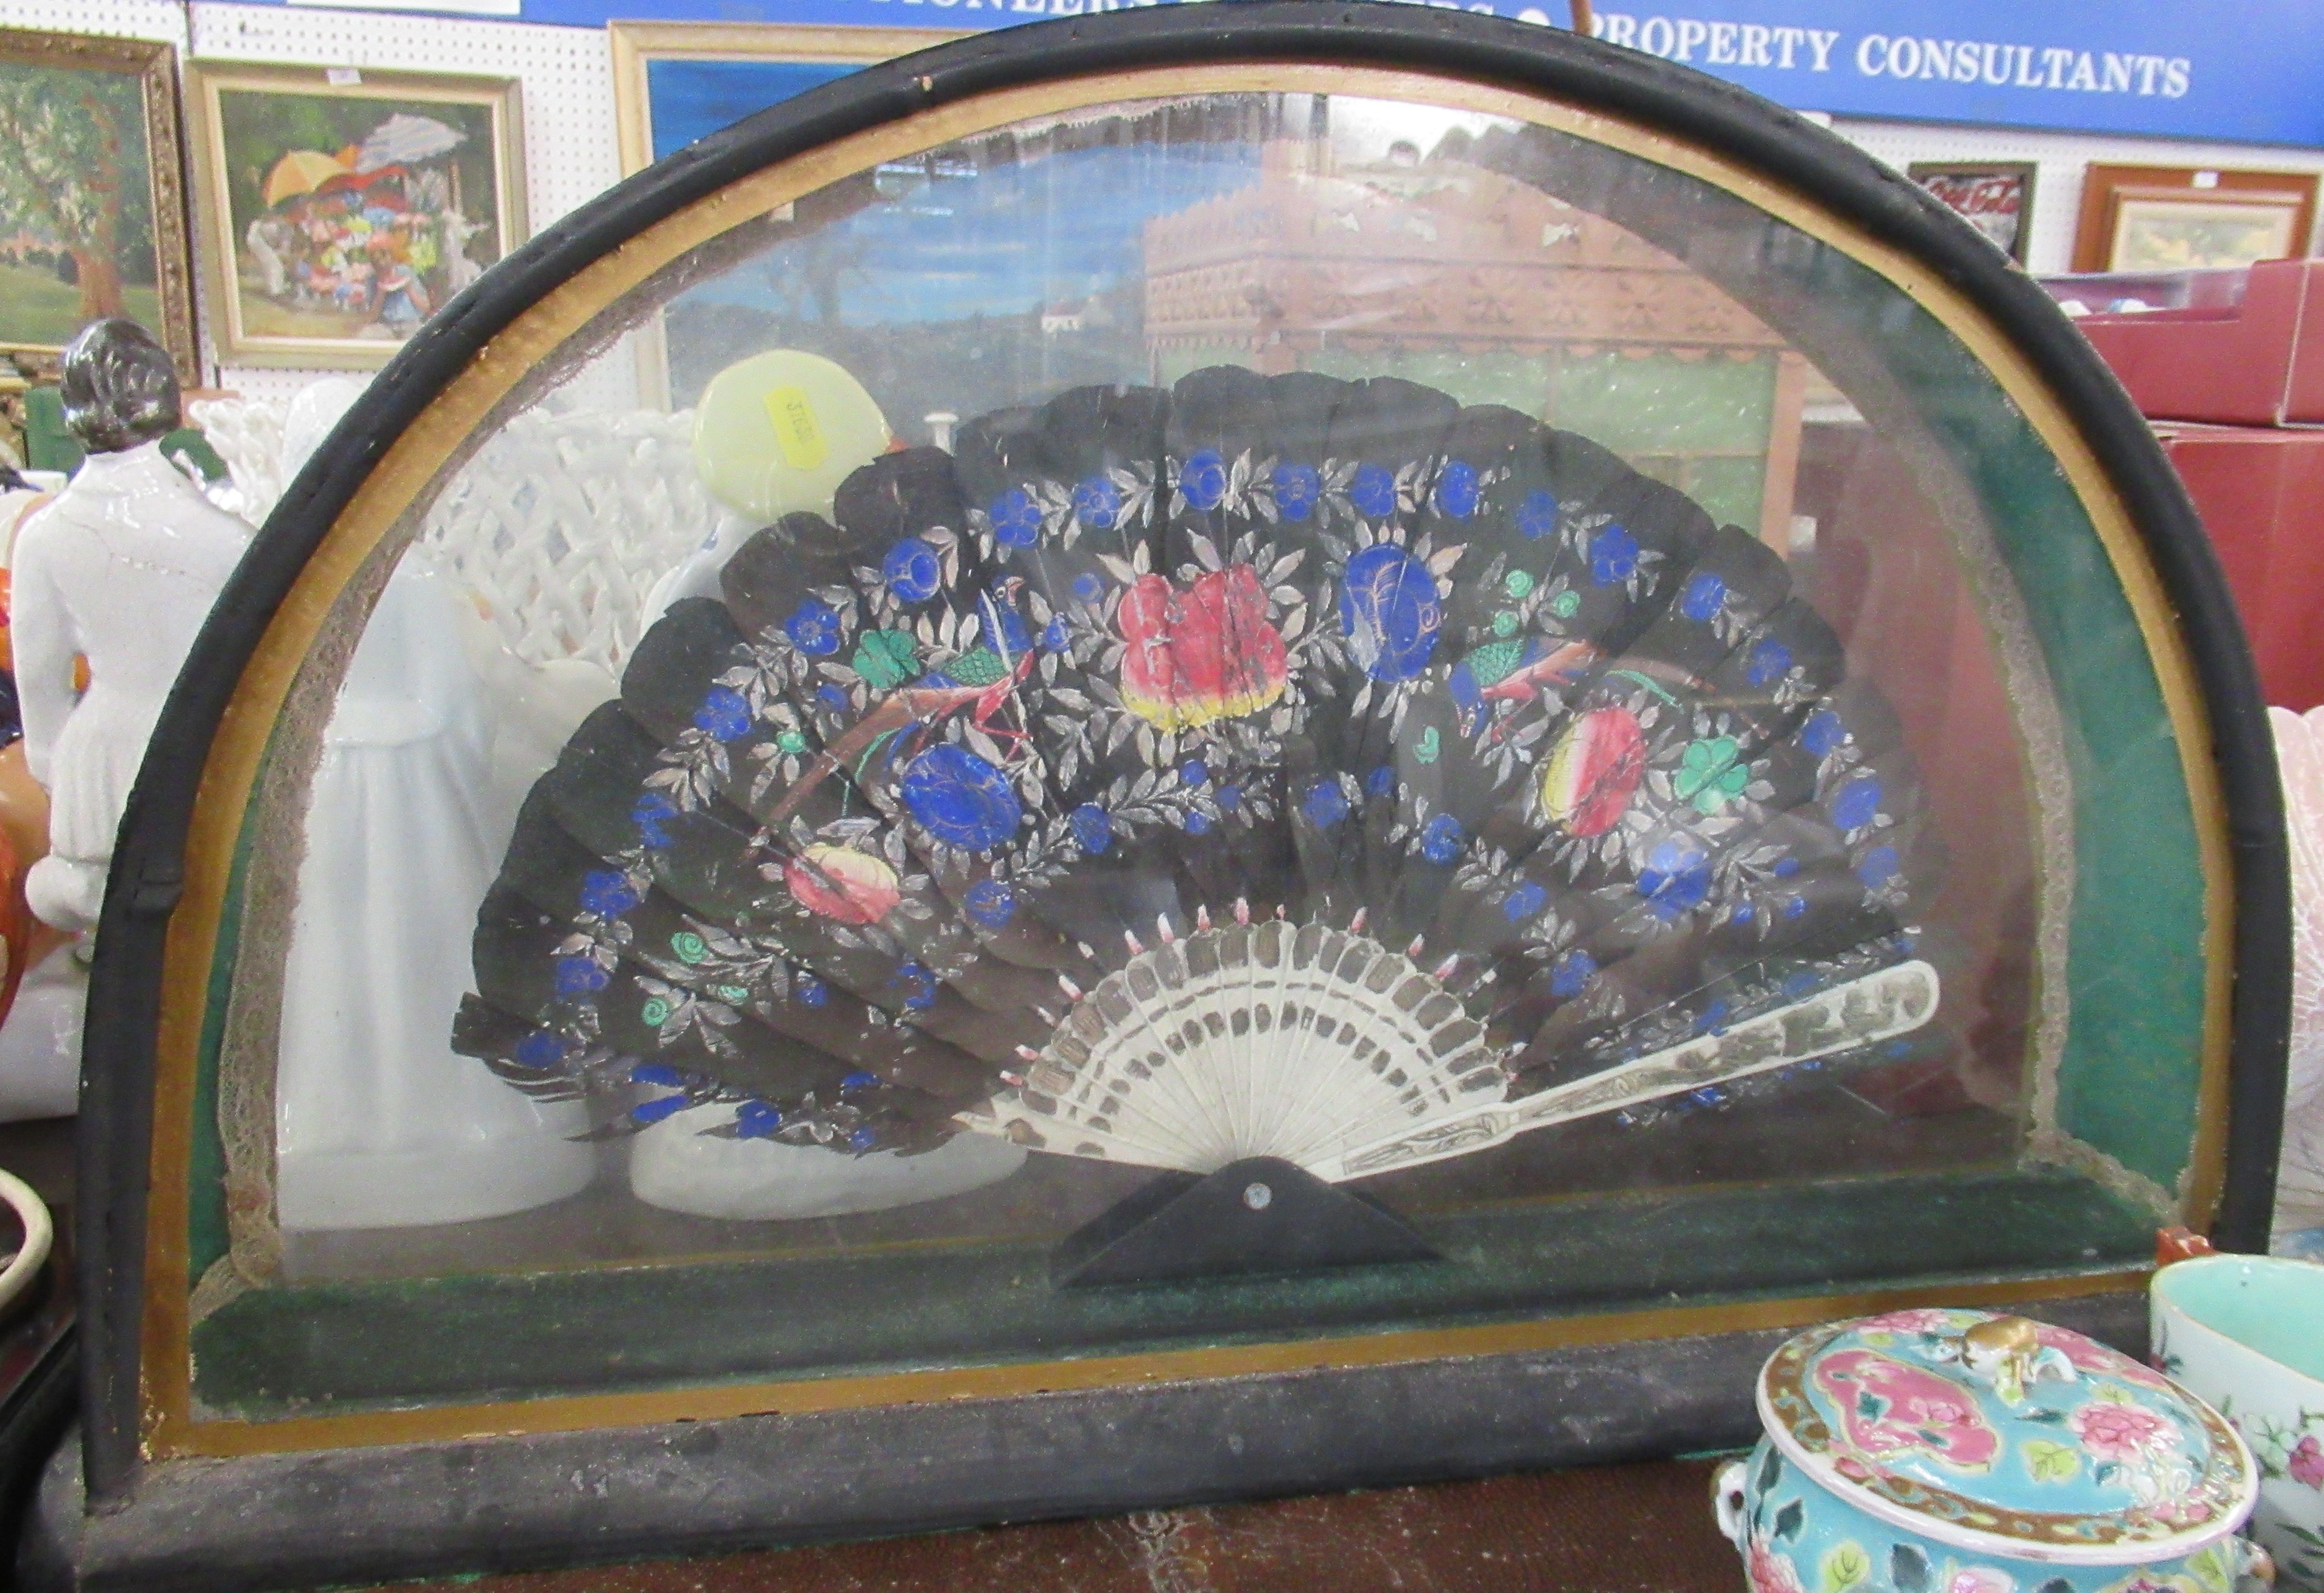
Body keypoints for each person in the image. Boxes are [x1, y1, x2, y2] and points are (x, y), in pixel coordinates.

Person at [10, 319, 251, 933]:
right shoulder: (227, 535)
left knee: (117, 938)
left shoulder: (44, 536)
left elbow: (40, 683)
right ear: (165, 403)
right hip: (207, 750)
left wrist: (54, 768)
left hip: (102, 753)